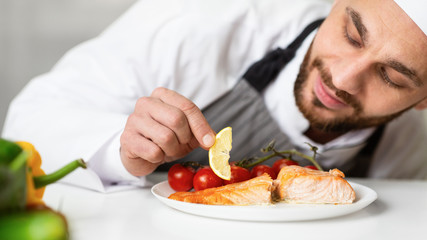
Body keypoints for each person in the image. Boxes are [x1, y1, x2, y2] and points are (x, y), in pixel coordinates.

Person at [2, 0, 427, 192]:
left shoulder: (414, 154)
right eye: (351, 35)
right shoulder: (195, 23)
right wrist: (120, 149)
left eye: (391, 76)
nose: (343, 78)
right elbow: (27, 120)